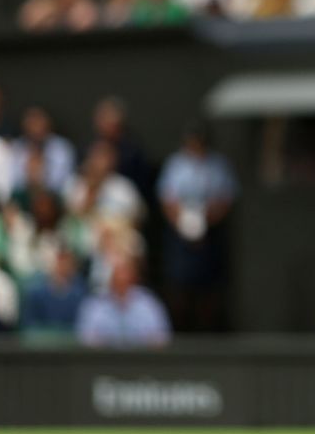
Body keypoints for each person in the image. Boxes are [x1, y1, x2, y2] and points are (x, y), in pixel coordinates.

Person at [157, 123, 235, 332]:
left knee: (209, 290)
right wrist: (186, 226)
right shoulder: (175, 165)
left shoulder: (218, 165)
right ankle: (180, 333)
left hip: (210, 234)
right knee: (178, 287)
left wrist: (203, 223)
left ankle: (207, 333)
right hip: (179, 235)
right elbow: (167, 201)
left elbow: (225, 199)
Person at [76, 252, 171, 348]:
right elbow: (85, 338)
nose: (122, 278)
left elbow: (162, 338)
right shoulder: (94, 304)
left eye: (125, 273)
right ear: (109, 278)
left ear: (134, 277)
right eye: (117, 273)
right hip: (104, 360)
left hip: (140, 360)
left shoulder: (148, 304)